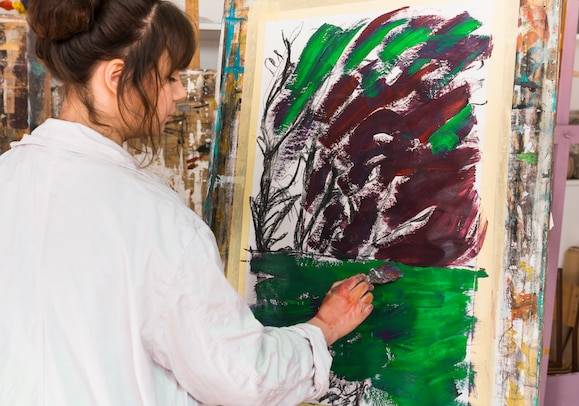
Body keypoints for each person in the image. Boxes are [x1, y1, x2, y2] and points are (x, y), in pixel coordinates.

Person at [0, 1, 375, 405]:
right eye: (169, 77)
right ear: (116, 76)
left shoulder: (8, 175)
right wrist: (322, 328)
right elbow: (240, 378)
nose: (180, 92)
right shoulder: (156, 219)